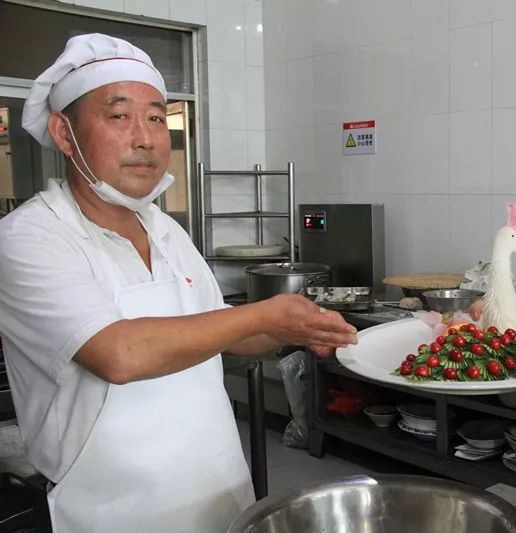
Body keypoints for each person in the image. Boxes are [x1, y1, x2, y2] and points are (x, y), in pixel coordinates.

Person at [0, 33, 357, 533]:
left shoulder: (164, 228)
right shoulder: (30, 236)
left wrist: (293, 330)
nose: (145, 139)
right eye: (119, 116)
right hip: (113, 511)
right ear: (64, 132)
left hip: (217, 485)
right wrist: (265, 313)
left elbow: (222, 329)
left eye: (155, 118)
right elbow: (118, 354)